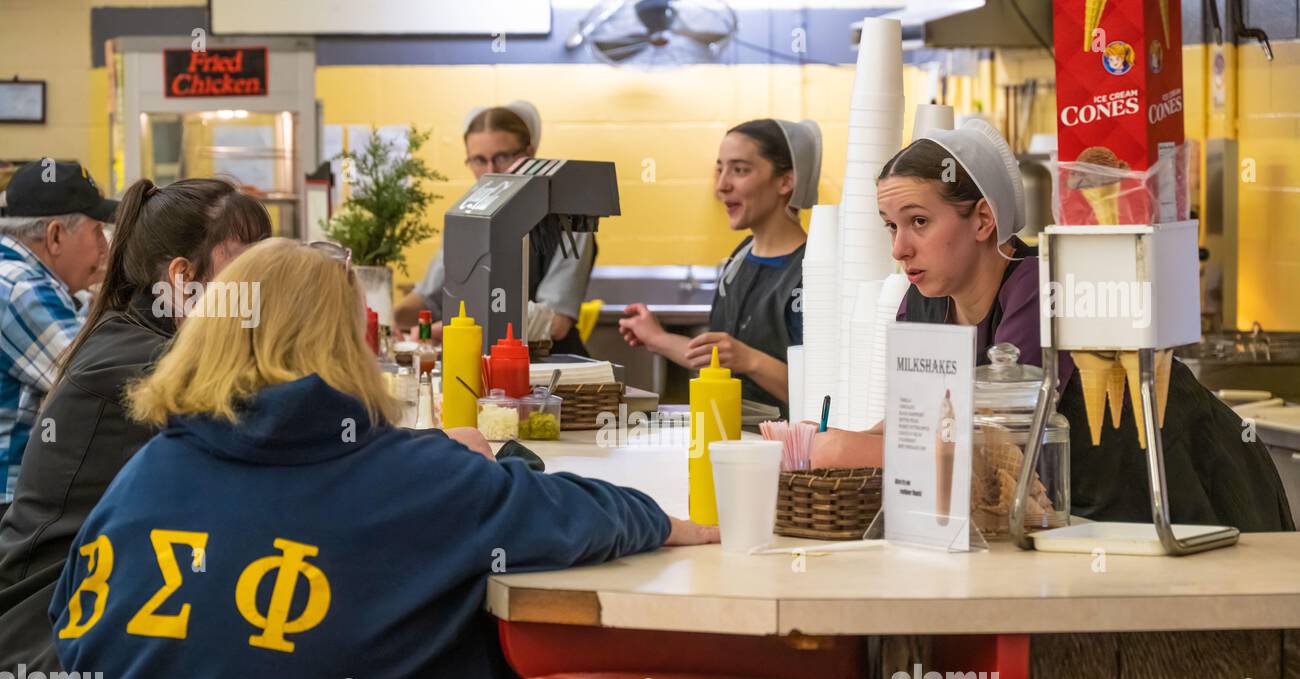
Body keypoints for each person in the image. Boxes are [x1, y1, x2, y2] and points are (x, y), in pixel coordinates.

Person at [47, 239, 717, 679]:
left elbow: (70, 655)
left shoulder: (142, 479)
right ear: (349, 341)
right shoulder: (415, 482)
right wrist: (662, 519)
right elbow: (573, 515)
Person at [812, 119, 1293, 532]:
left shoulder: (1043, 288)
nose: (899, 249)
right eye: (890, 226)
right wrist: (826, 442)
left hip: (1181, 493)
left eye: (918, 222)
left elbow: (995, 446)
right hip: (1081, 516)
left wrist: (842, 449)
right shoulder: (919, 305)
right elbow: (919, 424)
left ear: (983, 220)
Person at [0, 178, 271, 679]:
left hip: (76, 639)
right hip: (45, 671)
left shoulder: (136, 335)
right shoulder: (149, 366)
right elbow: (285, 439)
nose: (267, 285)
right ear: (182, 277)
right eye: (249, 265)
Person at [618, 118, 821, 418]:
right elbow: (721, 359)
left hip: (782, 447)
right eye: (720, 169)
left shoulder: (811, 271)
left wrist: (749, 360)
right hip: (725, 432)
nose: (722, 185)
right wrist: (657, 338)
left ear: (785, 181)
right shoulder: (740, 258)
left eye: (739, 170)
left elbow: (822, 392)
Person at [393, 100, 595, 354]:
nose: (490, 171)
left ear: (529, 153)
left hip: (551, 372)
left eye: (502, 157)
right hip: (481, 363)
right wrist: (388, 317)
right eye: (478, 160)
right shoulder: (467, 219)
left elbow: (556, 323)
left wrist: (458, 327)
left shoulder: (568, 222)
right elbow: (428, 296)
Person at [0, 160, 115, 515]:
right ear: (54, 236)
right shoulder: (20, 287)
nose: (105, 250)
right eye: (97, 233)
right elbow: (93, 380)